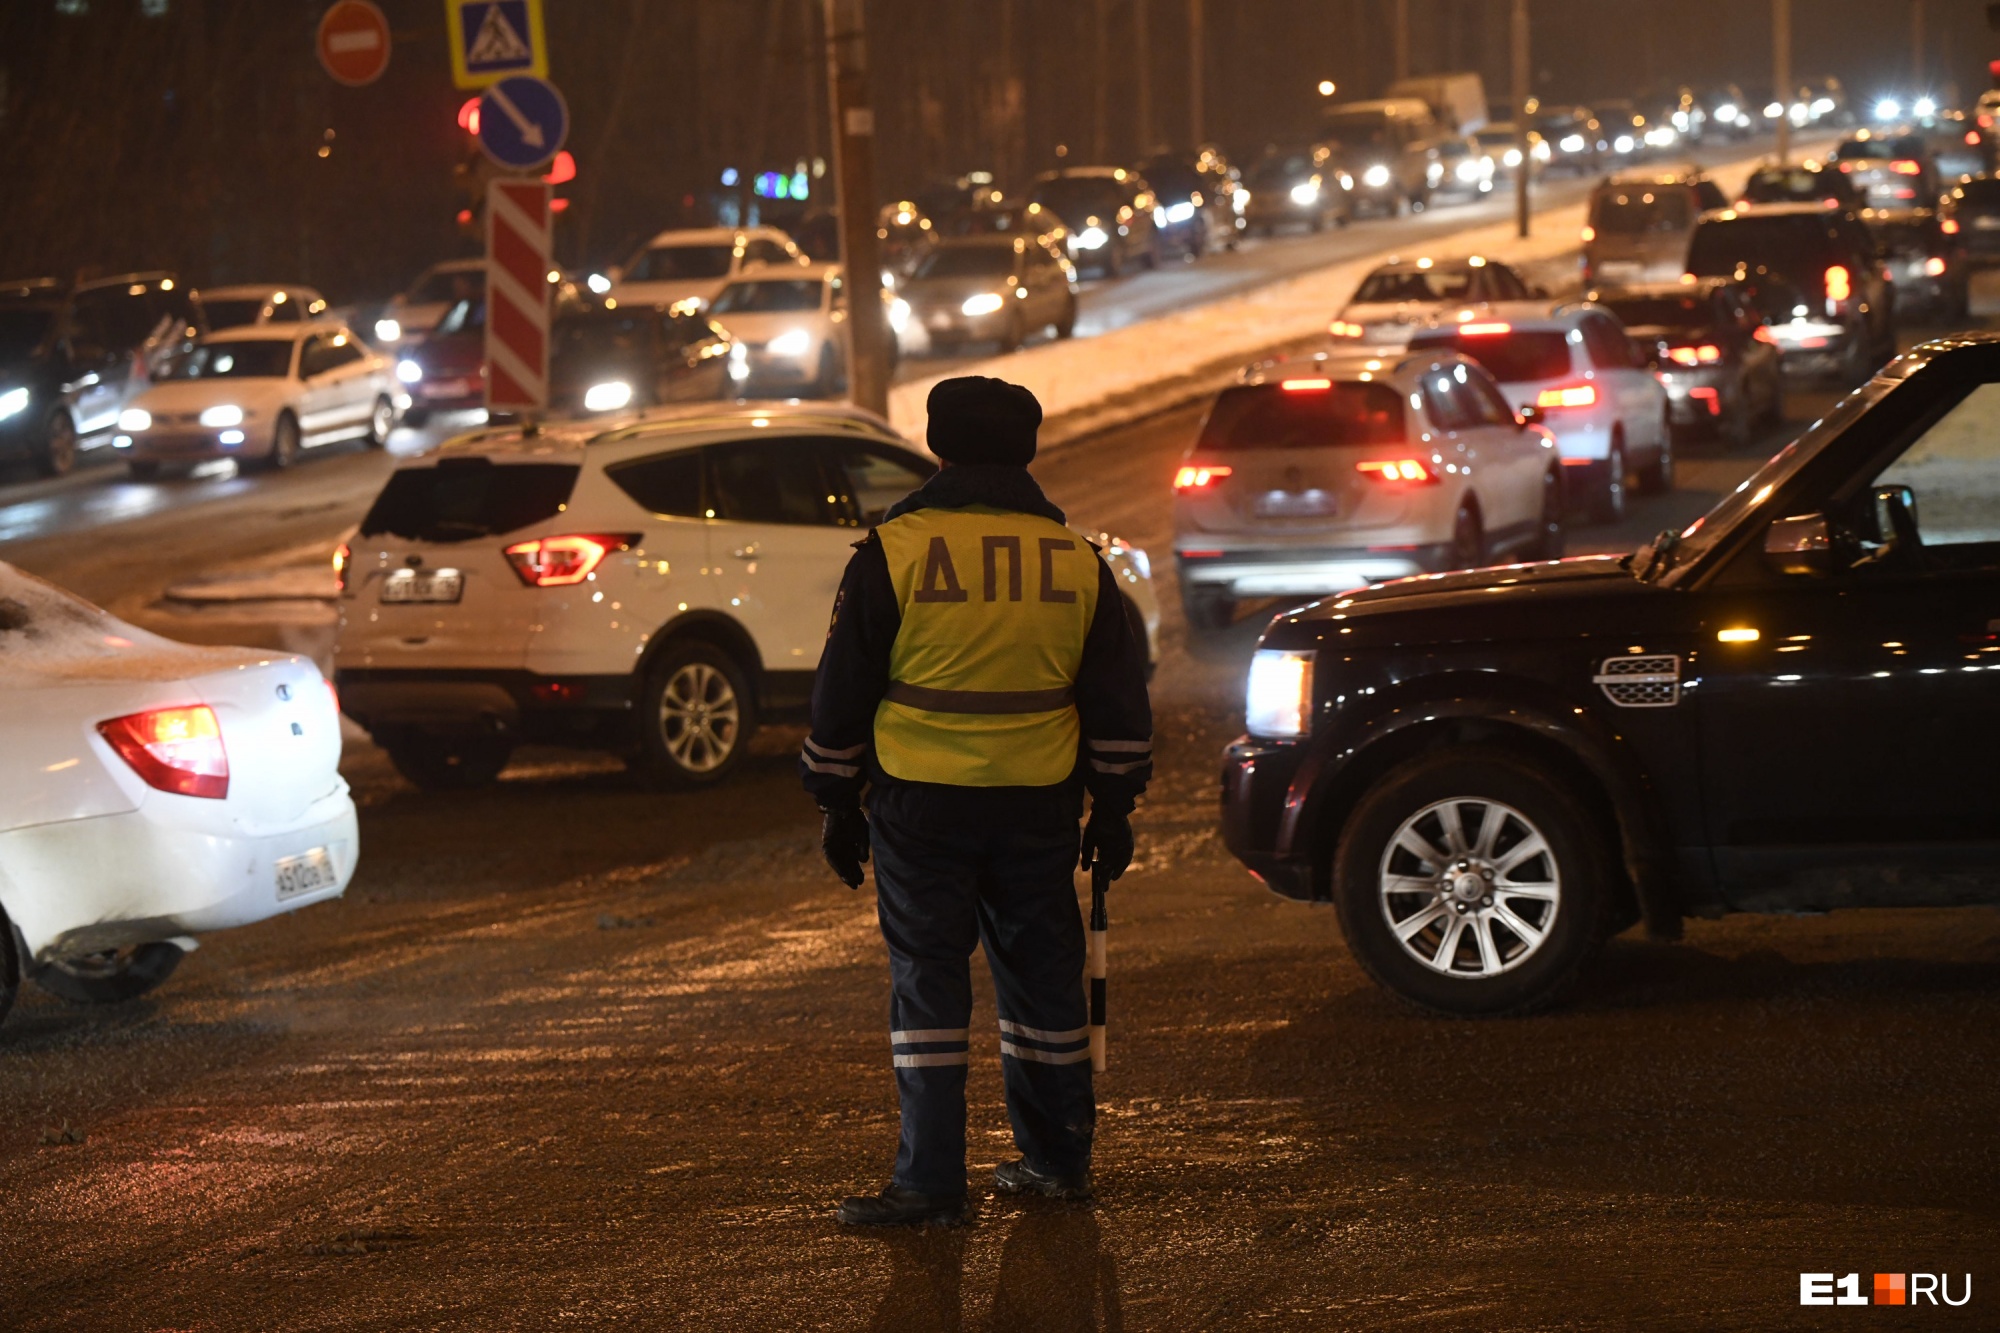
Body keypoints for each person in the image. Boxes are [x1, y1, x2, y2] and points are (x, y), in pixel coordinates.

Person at [801, 375, 1153, 1227]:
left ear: (938, 445)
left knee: (929, 984)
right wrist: (1113, 808)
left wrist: (836, 799)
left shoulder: (898, 550)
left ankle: (930, 1183)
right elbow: (1117, 699)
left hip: (921, 806)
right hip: (1037, 803)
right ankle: (1058, 1159)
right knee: (1043, 983)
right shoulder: (1076, 560)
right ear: (1026, 449)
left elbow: (844, 690)